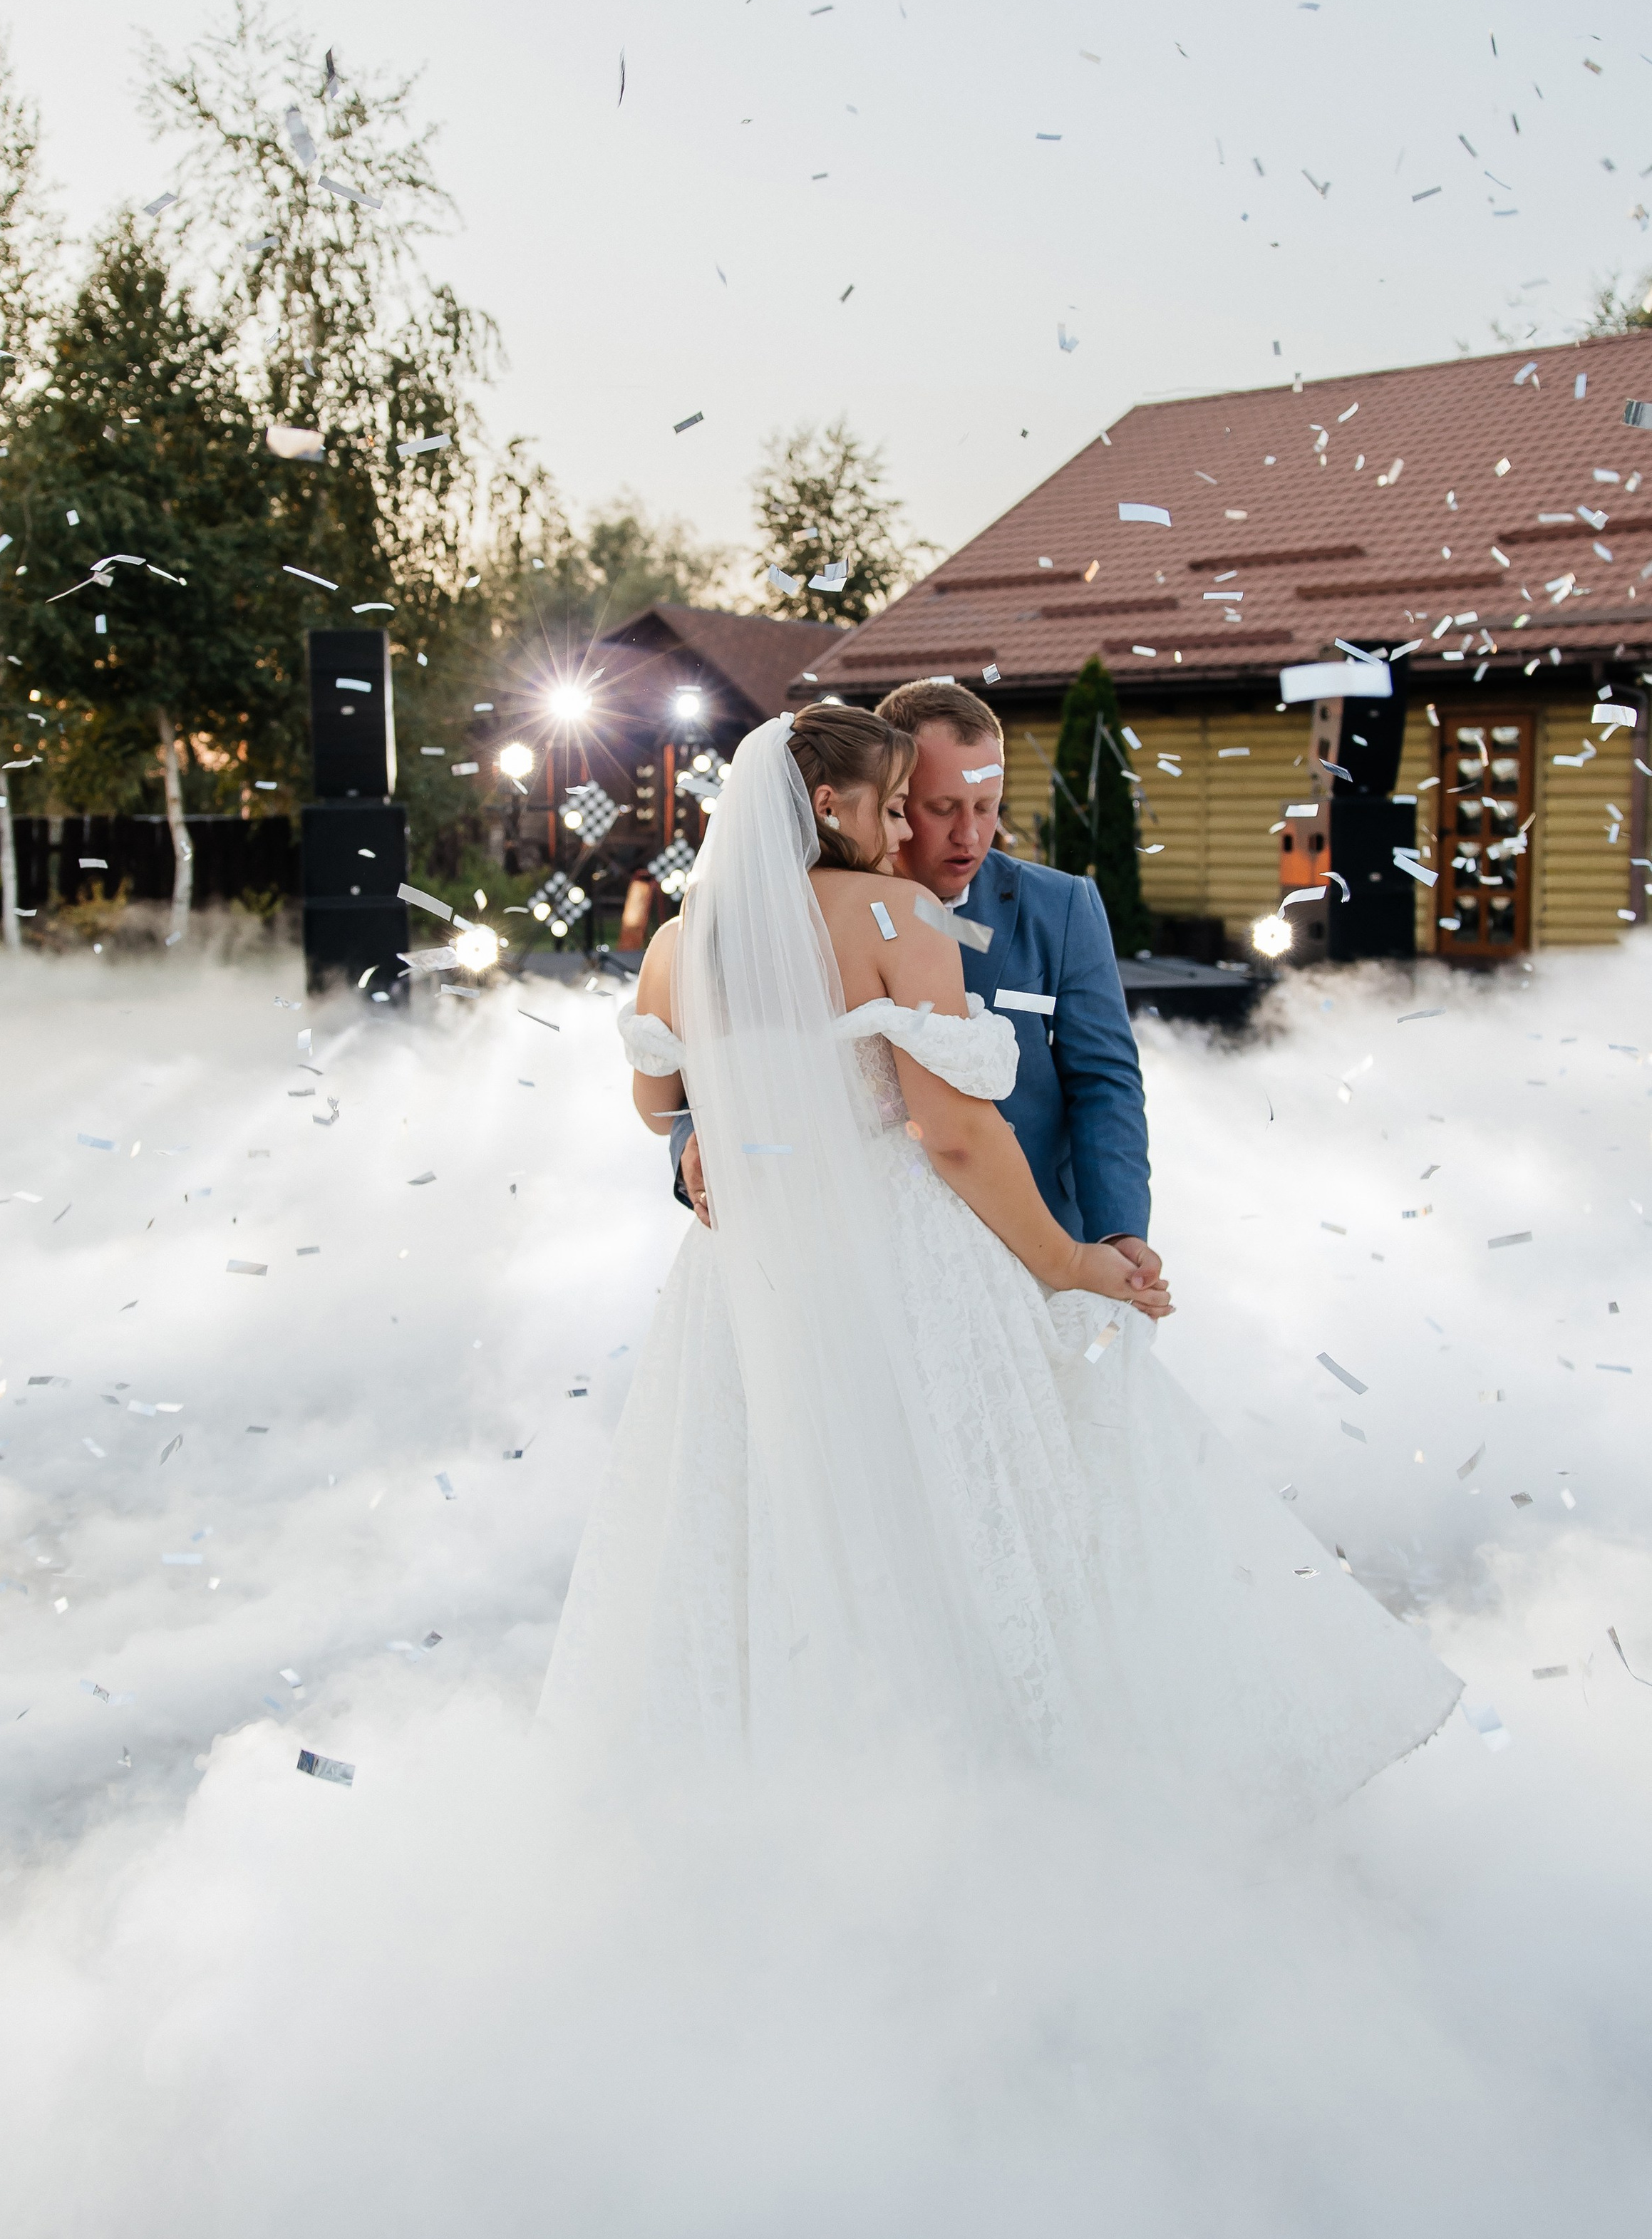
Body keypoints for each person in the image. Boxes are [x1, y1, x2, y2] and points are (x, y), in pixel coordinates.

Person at [540, 706, 1459, 1808]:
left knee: (771, 1527)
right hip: (916, 1261)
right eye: (906, 805)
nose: (923, 829)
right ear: (835, 806)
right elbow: (956, 1130)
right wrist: (1069, 1265)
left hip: (753, 1288)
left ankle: (806, 1797)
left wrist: (732, 1138)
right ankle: (1030, 1791)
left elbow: (662, 1104)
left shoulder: (686, 938)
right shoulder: (894, 910)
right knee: (999, 1523)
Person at [672, 681, 1156, 1301]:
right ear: (886, 792)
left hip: (1038, 1251)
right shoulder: (767, 913)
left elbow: (1105, 1082)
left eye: (988, 806)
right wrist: (695, 1138)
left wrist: (1117, 1231)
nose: (972, 835)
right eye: (940, 807)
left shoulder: (1060, 908)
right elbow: (709, 1056)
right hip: (838, 1263)